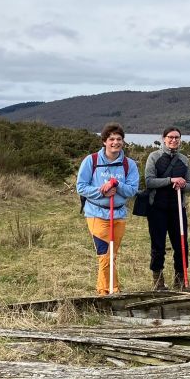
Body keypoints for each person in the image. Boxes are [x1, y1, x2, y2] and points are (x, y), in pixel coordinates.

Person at [76, 122, 140, 295]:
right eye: (111, 139)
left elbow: (132, 190)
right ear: (104, 141)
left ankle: (104, 290)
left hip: (119, 213)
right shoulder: (92, 161)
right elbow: (81, 187)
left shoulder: (129, 164)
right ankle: (111, 292)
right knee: (106, 255)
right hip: (96, 213)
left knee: (111, 255)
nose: (115, 142)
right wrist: (101, 191)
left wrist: (117, 184)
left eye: (119, 139)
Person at [143, 126, 190, 290]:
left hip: (178, 209)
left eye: (177, 137)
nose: (174, 140)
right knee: (158, 246)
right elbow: (149, 181)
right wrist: (171, 180)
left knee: (181, 246)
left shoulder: (184, 160)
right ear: (164, 138)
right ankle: (158, 283)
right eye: (170, 137)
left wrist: (183, 184)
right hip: (157, 209)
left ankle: (180, 281)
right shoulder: (154, 157)